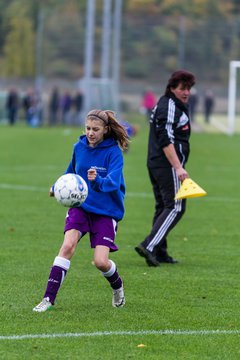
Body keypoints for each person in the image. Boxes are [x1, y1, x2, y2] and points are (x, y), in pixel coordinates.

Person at [33, 109, 129, 312]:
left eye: (96, 129)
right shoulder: (79, 147)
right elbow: (70, 173)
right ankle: (48, 299)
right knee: (67, 246)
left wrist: (98, 180)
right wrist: (56, 187)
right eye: (88, 128)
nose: (91, 133)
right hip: (81, 207)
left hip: (106, 211)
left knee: (101, 262)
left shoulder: (113, 152)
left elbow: (113, 183)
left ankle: (118, 286)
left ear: (105, 130)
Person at [135, 70, 196, 267]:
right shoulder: (168, 106)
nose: (186, 92)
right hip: (166, 164)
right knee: (176, 206)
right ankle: (149, 245)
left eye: (188, 88)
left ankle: (160, 251)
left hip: (158, 163)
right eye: (182, 88)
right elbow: (165, 139)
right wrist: (178, 167)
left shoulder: (174, 105)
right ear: (171, 88)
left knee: (163, 205)